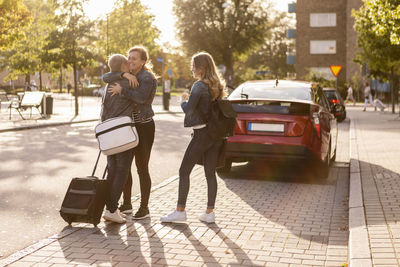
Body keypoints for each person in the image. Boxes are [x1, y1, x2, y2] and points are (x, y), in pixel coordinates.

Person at [160, 52, 225, 224]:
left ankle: (180, 211)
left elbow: (189, 109)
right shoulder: (217, 85)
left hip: (201, 135)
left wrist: (183, 100)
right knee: (210, 174)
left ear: (202, 67)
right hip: (215, 136)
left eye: (194, 66)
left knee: (184, 171)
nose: (192, 69)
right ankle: (209, 213)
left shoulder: (198, 86)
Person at [104, 46, 157, 220]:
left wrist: (122, 89)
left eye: (135, 58)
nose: (130, 61)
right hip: (128, 127)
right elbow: (105, 76)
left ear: (143, 61)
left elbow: (141, 98)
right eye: (129, 58)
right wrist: (123, 74)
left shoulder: (146, 77)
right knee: (125, 168)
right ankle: (126, 204)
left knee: (142, 168)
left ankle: (144, 207)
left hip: (143, 127)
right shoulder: (127, 75)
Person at [101, 54, 136, 224]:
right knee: (122, 171)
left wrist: (122, 74)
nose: (130, 64)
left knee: (112, 170)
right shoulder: (127, 82)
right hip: (121, 133)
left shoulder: (109, 82)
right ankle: (111, 208)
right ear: (122, 65)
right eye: (127, 62)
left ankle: (110, 208)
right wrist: (126, 76)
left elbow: (106, 75)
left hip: (108, 132)